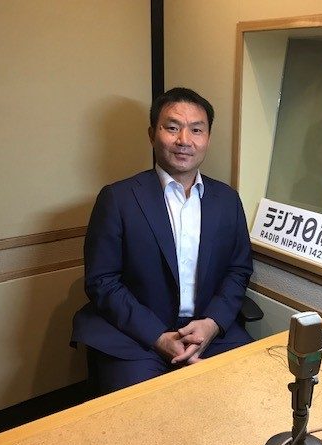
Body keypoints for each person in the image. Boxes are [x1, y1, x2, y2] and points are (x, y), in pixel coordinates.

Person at [71, 87, 253, 394]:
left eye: (196, 130)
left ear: (208, 138)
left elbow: (238, 270)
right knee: (145, 408)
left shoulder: (227, 199)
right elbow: (102, 281)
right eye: (172, 128)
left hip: (207, 330)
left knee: (251, 386)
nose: (184, 140)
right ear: (152, 134)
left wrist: (212, 323)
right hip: (137, 335)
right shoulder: (118, 198)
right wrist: (158, 336)